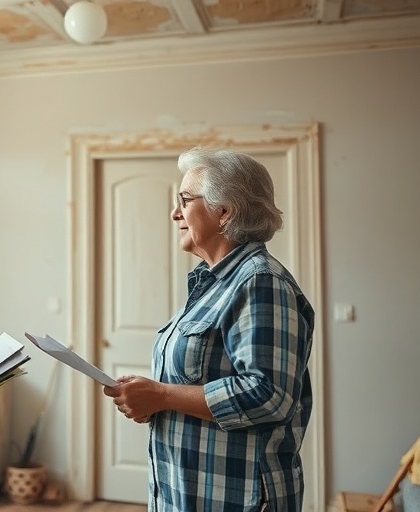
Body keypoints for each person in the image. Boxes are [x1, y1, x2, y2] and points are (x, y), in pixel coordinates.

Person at [103, 147, 315, 512]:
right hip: (189, 494)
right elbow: (196, 382)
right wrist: (151, 398)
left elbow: (269, 395)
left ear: (225, 210)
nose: (175, 213)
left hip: (234, 499)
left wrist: (163, 396)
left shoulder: (260, 282)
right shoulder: (213, 283)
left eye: (184, 200)